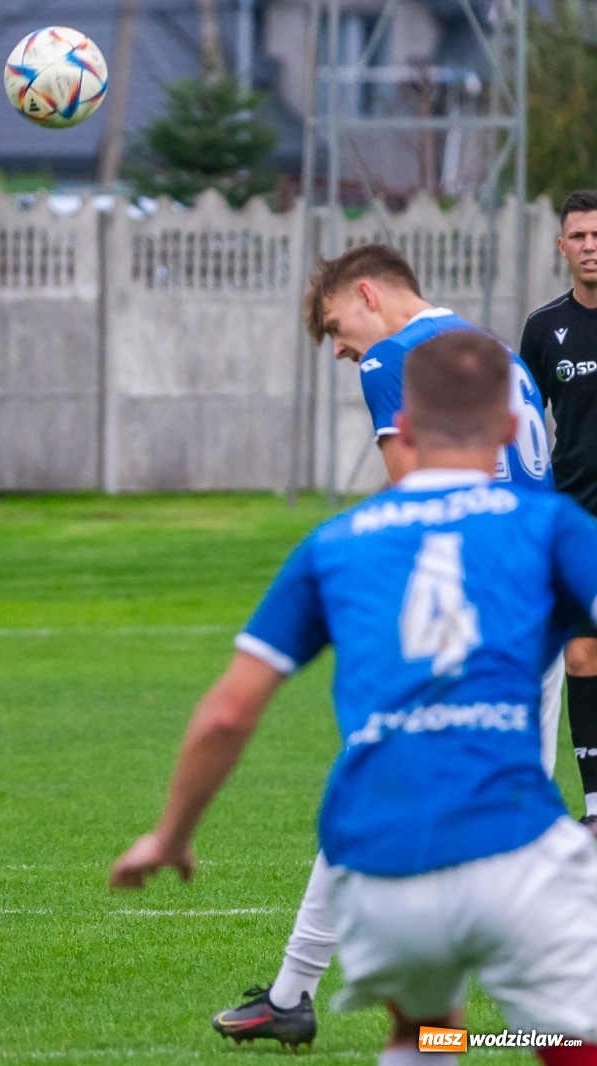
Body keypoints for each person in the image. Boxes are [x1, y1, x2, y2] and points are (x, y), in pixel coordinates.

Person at [112, 329, 597, 1066]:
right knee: (575, 1035)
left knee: (422, 1034)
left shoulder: (335, 543)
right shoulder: (550, 525)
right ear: (509, 429)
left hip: (381, 863)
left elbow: (227, 711)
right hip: (513, 845)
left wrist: (172, 834)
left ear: (400, 427)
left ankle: (437, 1039)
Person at [207, 244, 565, 1048]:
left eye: (337, 327)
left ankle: (317, 999)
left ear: (367, 293)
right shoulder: (496, 350)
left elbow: (419, 497)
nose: (341, 350)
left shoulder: (395, 361)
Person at [520, 189, 597, 835]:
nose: (590, 246)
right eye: (579, 236)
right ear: (562, 247)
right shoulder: (545, 330)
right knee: (580, 658)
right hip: (575, 522)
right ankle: (596, 804)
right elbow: (523, 425)